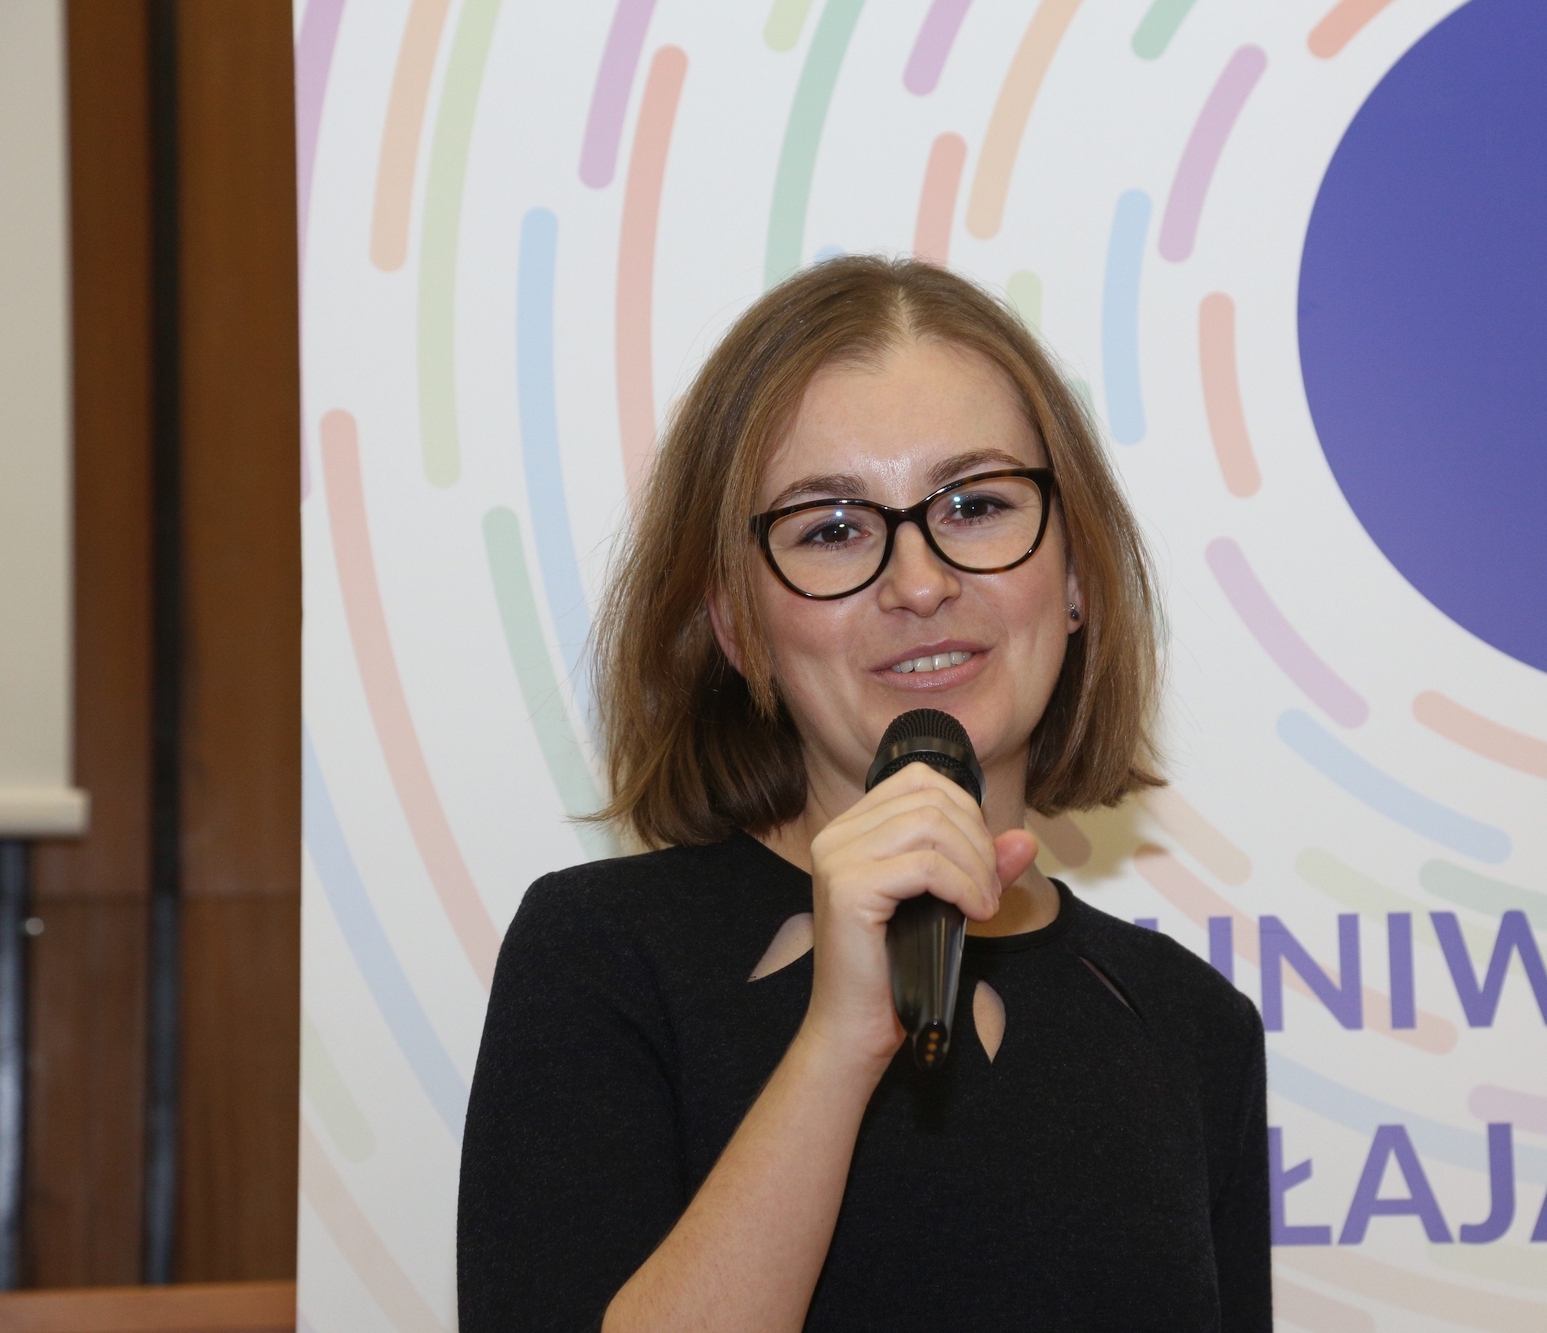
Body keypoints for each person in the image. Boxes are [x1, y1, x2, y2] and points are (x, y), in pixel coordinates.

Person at [456, 256, 1269, 1332]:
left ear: (1075, 576)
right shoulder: (604, 956)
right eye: (832, 528)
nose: (920, 582)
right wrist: (838, 1042)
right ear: (736, 622)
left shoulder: (1191, 1026)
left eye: (975, 505)